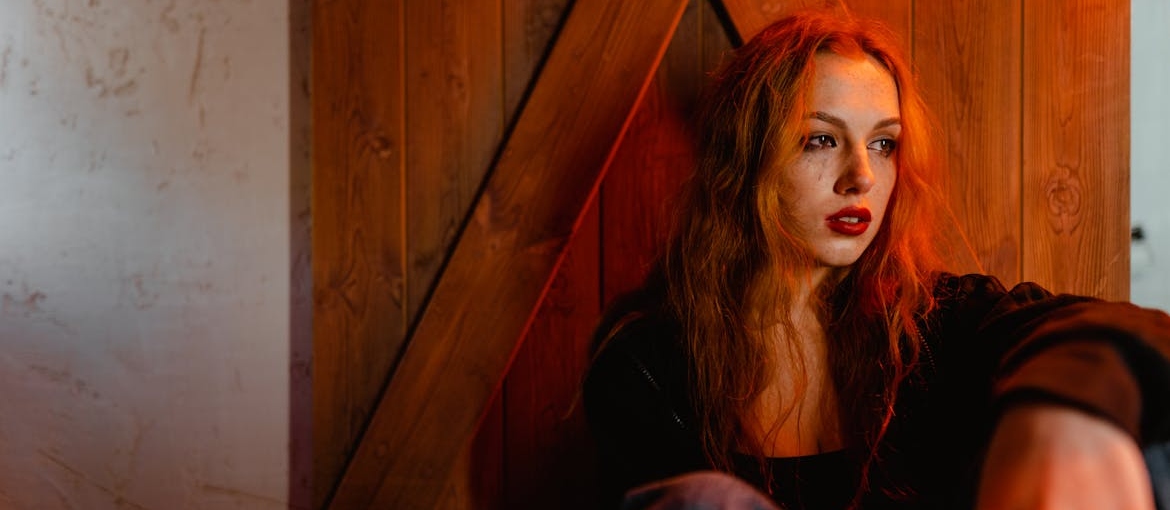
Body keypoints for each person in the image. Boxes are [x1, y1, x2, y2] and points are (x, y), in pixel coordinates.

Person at [581, 8, 1170, 510]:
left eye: (884, 144)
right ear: (747, 158)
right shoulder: (648, 361)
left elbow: (1137, 328)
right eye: (821, 139)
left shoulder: (938, 321)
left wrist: (1062, 410)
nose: (861, 177)